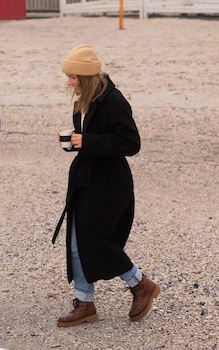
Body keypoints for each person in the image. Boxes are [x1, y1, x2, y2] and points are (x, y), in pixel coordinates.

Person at [52, 44, 160, 327]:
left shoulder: (114, 101)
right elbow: (90, 137)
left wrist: (87, 142)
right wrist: (76, 140)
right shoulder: (83, 99)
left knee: (95, 239)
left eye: (73, 77)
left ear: (86, 77)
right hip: (86, 177)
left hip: (110, 183)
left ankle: (140, 284)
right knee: (77, 241)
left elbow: (130, 143)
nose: (69, 82)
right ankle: (85, 302)